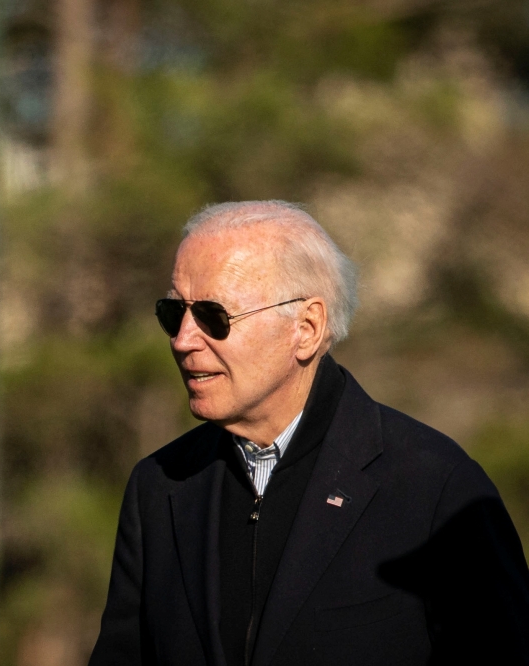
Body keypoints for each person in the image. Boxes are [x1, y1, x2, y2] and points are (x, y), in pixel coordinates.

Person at [88, 200, 529, 666]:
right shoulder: (159, 486)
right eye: (173, 313)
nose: (183, 339)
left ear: (307, 328)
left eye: (214, 317)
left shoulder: (435, 488)